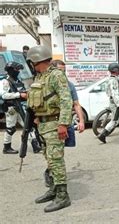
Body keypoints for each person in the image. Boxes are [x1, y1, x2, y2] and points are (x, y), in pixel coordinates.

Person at [26, 45, 73, 213]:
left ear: (36, 61)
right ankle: (53, 189)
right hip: (44, 125)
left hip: (54, 124)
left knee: (56, 159)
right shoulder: (40, 77)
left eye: (31, 61)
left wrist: (63, 124)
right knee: (48, 158)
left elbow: (66, 101)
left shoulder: (56, 75)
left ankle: (63, 195)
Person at [1, 62, 41, 154]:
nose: (18, 71)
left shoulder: (17, 81)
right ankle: (6, 147)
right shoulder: (5, 81)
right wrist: (19, 94)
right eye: (16, 70)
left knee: (28, 125)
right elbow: (4, 95)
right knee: (11, 128)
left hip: (21, 107)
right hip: (12, 108)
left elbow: (23, 91)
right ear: (11, 70)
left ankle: (35, 146)